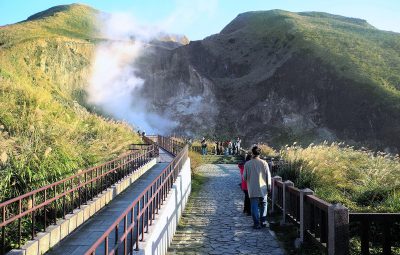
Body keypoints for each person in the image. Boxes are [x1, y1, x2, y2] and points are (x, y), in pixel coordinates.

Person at [244, 146, 272, 229]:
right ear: (260, 153)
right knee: (264, 204)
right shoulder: (264, 163)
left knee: (254, 205)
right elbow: (268, 176)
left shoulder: (247, 164)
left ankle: (256, 223)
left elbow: (244, 177)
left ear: (252, 153)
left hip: (252, 187)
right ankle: (263, 221)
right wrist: (269, 186)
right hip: (263, 187)